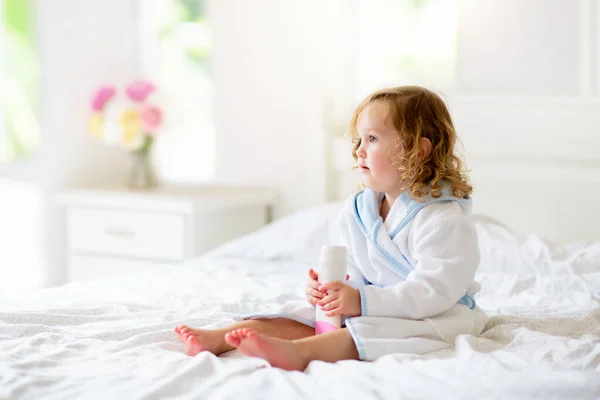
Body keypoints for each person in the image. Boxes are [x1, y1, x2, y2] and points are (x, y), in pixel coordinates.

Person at [174, 86, 488, 371]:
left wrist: (363, 302)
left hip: (433, 314)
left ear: (419, 151)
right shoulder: (359, 210)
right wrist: (330, 288)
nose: (359, 150)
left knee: (374, 331)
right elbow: (352, 268)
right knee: (304, 314)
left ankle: (300, 353)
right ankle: (221, 338)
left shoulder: (444, 221)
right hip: (371, 301)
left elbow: (434, 291)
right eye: (359, 140)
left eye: (373, 139)